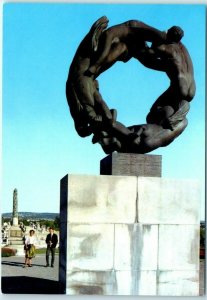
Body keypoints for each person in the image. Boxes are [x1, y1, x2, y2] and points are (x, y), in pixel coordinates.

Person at [135, 26, 196, 129]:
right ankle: (179, 111)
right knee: (173, 102)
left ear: (169, 36)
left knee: (153, 111)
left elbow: (152, 52)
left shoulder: (169, 49)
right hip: (192, 88)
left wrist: (159, 37)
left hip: (180, 86)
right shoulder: (184, 49)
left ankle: (167, 122)